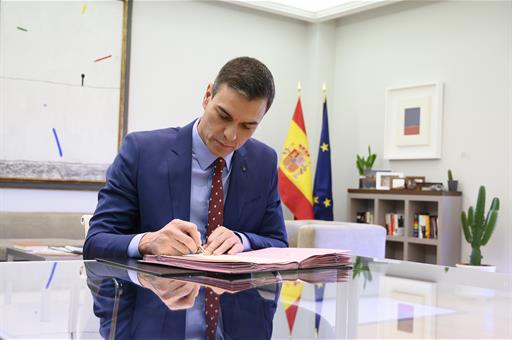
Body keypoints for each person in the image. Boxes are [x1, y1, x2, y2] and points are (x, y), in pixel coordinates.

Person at [83, 56, 288, 260]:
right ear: (207, 96)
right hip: (154, 289)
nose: (230, 135)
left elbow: (278, 242)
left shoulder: (263, 161)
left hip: (233, 292)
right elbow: (96, 241)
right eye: (223, 116)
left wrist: (243, 240)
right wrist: (148, 242)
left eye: (247, 126)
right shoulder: (141, 152)